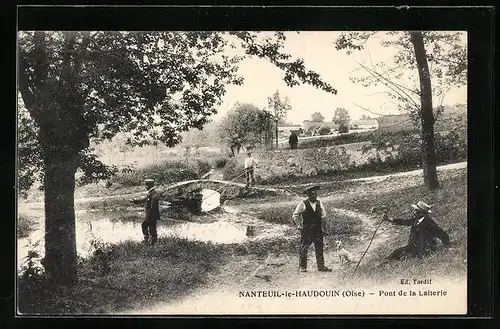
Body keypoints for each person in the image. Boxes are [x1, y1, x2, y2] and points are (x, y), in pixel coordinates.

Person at [383, 201, 452, 261]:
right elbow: (404, 222)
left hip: (424, 250)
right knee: (397, 252)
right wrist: (389, 219)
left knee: (405, 257)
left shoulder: (429, 223)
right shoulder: (415, 220)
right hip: (413, 247)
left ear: (421, 213)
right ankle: (384, 262)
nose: (413, 212)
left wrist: (447, 245)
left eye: (416, 210)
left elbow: (441, 233)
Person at [292, 186, 332, 272]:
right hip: (307, 230)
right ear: (308, 195)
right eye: (312, 194)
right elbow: (295, 215)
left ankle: (321, 266)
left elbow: (323, 217)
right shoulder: (303, 203)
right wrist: (299, 225)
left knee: (319, 247)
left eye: (316, 194)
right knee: (304, 248)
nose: (314, 196)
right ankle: (303, 267)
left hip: (317, 230)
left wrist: (325, 229)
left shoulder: (319, 203)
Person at [131, 178, 160, 245]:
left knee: (151, 228)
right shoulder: (151, 193)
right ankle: (149, 240)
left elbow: (153, 207)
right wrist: (135, 201)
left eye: (146, 185)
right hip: (150, 215)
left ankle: (151, 241)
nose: (145, 187)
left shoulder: (154, 194)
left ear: (150, 185)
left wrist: (149, 216)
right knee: (148, 227)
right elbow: (145, 200)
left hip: (152, 215)